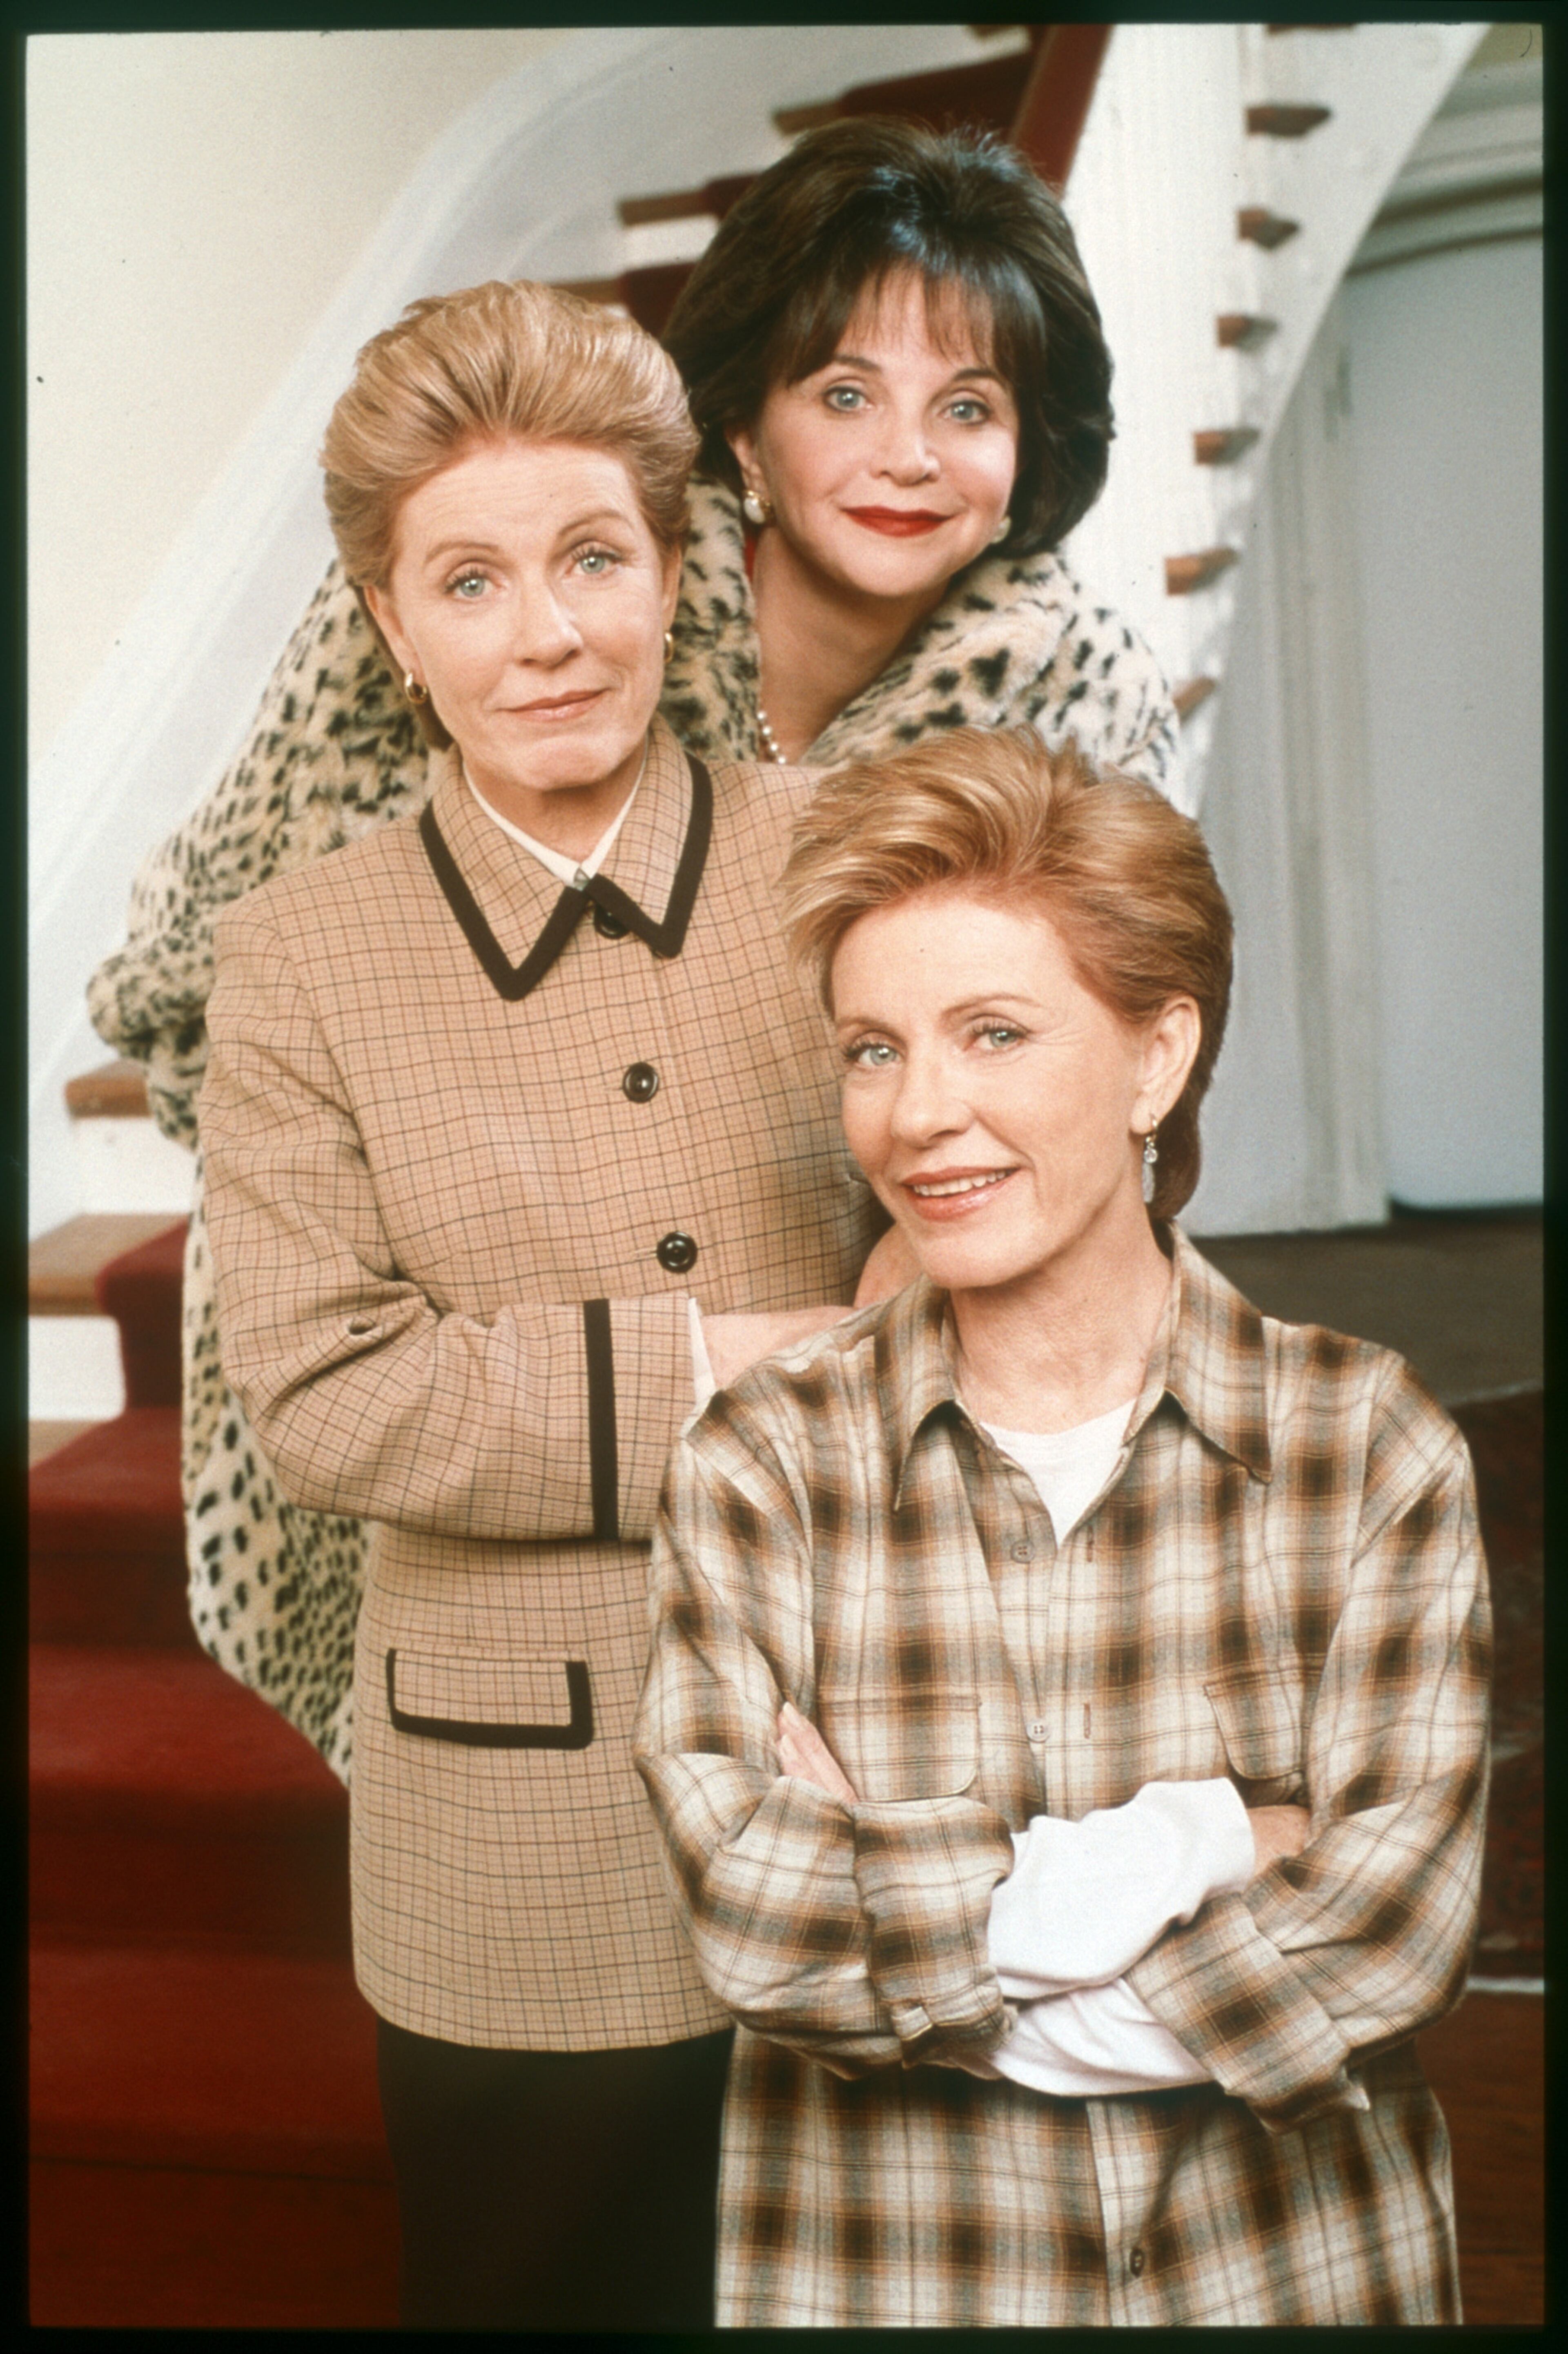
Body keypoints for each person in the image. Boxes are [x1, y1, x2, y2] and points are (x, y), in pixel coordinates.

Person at [86, 117, 1179, 1779]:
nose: (906, 456)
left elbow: (1088, 1103)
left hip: (830, 1378)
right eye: (844, 394)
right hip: (475, 1348)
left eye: (970, 407)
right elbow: (232, 953)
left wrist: (876, 1329)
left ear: (1032, 452)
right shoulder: (529, 571)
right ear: (740, 420)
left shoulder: (1066, 700)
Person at [198, 277, 886, 2329]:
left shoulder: (850, 856)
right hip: (506, 1836)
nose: (548, 632)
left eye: (594, 555)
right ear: (391, 625)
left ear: (679, 568)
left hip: (879, 1745)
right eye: (471, 580)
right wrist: (725, 1371)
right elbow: (322, 1397)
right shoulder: (296, 963)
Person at [635, 726, 1490, 2329]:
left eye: (995, 1032)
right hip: (899, 2281)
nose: (918, 1114)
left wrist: (907, 1931)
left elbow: (1387, 1931)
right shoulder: (765, 1461)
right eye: (873, 1048)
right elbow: (756, 1923)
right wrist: (1215, 1839)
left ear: (1157, 1059)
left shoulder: (1364, 1448)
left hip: (1294, 2279)